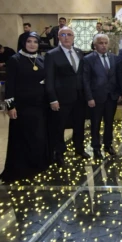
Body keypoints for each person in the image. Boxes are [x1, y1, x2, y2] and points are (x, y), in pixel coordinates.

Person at [0, 33, 51, 182]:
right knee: (23, 137)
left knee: (38, 136)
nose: (32, 44)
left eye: (35, 42)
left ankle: (37, 165)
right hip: (22, 106)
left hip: (40, 105)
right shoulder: (15, 60)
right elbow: (10, 85)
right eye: (29, 41)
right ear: (23, 43)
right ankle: (23, 168)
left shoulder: (41, 59)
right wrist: (10, 106)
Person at [45, 26, 89, 165]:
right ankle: (59, 153)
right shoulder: (52, 54)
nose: (66, 37)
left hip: (79, 97)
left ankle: (79, 148)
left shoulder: (79, 52)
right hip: (61, 98)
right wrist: (53, 99)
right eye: (63, 34)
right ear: (58, 37)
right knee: (59, 126)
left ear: (73, 37)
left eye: (69, 34)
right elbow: (49, 79)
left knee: (79, 124)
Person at [83, 34, 119, 159]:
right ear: (95, 45)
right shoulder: (88, 59)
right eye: (100, 43)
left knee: (109, 123)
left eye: (105, 43)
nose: (103, 45)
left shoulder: (114, 58)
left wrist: (118, 93)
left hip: (111, 96)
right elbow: (86, 80)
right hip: (96, 97)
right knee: (95, 124)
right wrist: (89, 97)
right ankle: (96, 147)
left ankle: (108, 145)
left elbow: (117, 76)